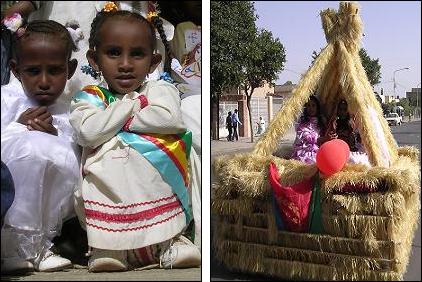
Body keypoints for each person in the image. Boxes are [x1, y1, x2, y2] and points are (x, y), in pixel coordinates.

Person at [69, 3, 200, 272]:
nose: (126, 64)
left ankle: (170, 242)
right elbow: (88, 132)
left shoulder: (160, 88)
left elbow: (167, 119)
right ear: (94, 59)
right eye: (114, 53)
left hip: (156, 177)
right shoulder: (90, 97)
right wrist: (134, 104)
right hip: (107, 187)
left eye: (137, 54)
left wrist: (112, 120)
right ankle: (109, 248)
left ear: (153, 62)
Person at [1, 20, 80, 273]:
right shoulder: (6, 102)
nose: (44, 81)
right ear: (15, 70)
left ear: (70, 69)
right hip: (10, 193)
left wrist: (56, 135)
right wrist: (18, 127)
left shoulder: (75, 109)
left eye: (55, 70)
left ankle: (42, 245)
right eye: (33, 71)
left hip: (56, 207)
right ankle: (11, 248)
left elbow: (78, 156)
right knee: (29, 148)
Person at [324, 99, 370, 165]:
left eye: (344, 109)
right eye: (340, 109)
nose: (342, 112)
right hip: (337, 150)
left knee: (356, 160)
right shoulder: (334, 122)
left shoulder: (352, 122)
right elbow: (328, 137)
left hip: (350, 151)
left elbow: (358, 141)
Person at [291, 95, 326, 164]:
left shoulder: (322, 121)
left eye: (313, 105)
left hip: (319, 150)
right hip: (304, 151)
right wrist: (325, 138)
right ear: (305, 107)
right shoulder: (302, 122)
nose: (311, 108)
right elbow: (308, 138)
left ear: (317, 108)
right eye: (308, 105)